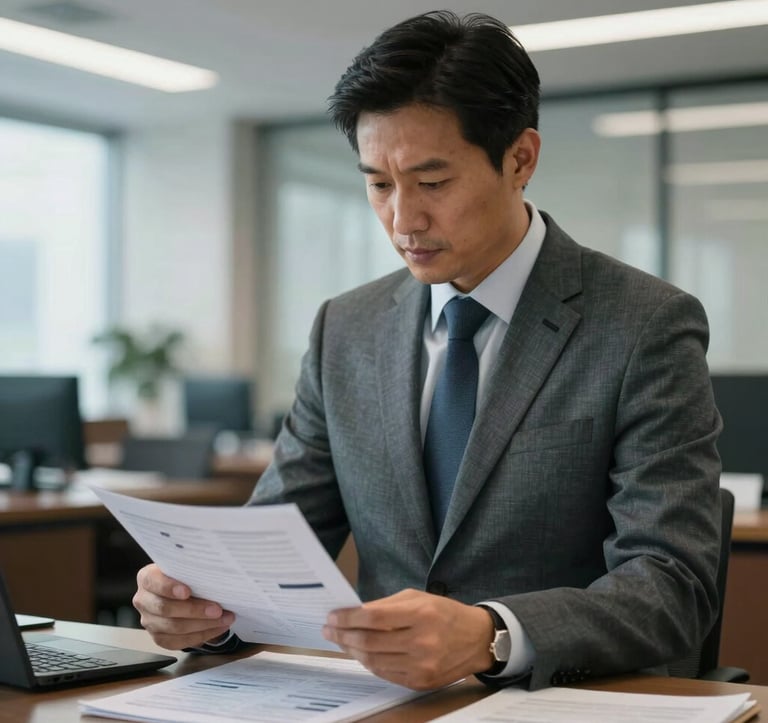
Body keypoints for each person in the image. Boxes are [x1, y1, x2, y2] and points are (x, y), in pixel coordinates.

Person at [133, 10, 722, 692]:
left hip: (567, 700)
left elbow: (672, 586)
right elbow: (271, 546)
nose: (403, 219)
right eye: (379, 184)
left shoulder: (643, 324)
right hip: (380, 702)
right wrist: (203, 605)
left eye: (433, 183)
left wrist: (494, 634)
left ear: (520, 158)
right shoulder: (344, 330)